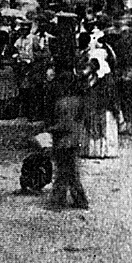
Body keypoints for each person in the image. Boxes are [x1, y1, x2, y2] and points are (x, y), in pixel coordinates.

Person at [48, 75, 88, 210]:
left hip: (63, 141)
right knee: (72, 172)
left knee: (61, 173)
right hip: (75, 140)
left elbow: (63, 124)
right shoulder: (79, 101)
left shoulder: (61, 103)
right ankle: (79, 199)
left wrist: (49, 130)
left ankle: (58, 201)